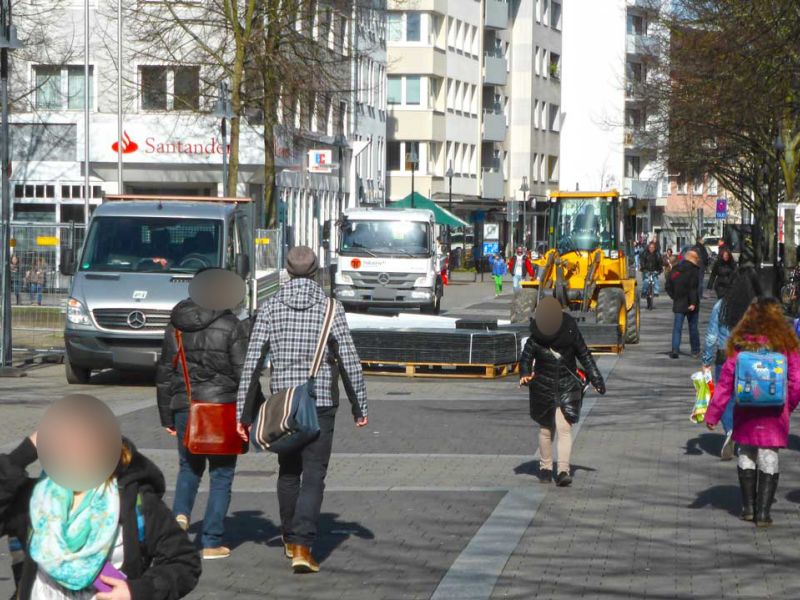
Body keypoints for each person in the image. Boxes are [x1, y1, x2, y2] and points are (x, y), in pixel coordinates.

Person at [236, 246, 368, 574]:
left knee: (289, 471)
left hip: (284, 404)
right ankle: (304, 546)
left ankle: (288, 537)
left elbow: (251, 363)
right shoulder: (330, 308)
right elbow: (349, 359)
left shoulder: (269, 307)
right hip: (320, 400)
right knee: (314, 475)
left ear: (287, 270)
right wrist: (359, 405)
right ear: (315, 271)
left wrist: (244, 414)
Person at [0, 394, 201, 599]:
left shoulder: (133, 500)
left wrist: (136, 591)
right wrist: (24, 453)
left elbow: (184, 562)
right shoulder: (37, 500)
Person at [156, 269, 251, 560]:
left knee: (188, 468)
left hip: (186, 406)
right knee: (222, 475)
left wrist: (167, 417)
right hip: (222, 409)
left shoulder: (177, 326)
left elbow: (164, 372)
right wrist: (248, 415)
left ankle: (181, 516)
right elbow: (244, 373)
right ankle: (210, 541)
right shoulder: (231, 325)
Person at [704, 297, 800, 527]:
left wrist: (713, 414)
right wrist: (789, 405)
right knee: (769, 455)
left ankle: (748, 507)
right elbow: (796, 380)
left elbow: (726, 382)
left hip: (746, 410)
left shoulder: (740, 344)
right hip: (774, 413)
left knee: (746, 452)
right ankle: (764, 512)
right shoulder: (786, 345)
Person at [519, 297, 606, 487]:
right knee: (546, 429)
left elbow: (584, 355)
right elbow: (525, 358)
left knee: (564, 428)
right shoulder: (536, 337)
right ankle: (545, 467)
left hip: (567, 385)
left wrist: (597, 379)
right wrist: (524, 373)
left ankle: (563, 471)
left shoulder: (570, 331)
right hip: (543, 386)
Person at [701, 268, 763, 460]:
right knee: (747, 398)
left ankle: (730, 430)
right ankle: (746, 433)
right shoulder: (756, 310)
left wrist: (706, 361)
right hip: (751, 359)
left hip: (724, 356)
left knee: (725, 396)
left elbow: (711, 336)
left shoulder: (722, 305)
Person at [666, 249, 701, 359]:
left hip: (679, 302)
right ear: (692, 258)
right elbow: (693, 288)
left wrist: (674, 296)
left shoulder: (676, 270)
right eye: (696, 258)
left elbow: (668, 286)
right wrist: (693, 303)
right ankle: (695, 350)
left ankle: (675, 349)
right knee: (693, 327)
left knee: (677, 328)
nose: (698, 260)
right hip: (691, 303)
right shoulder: (694, 270)